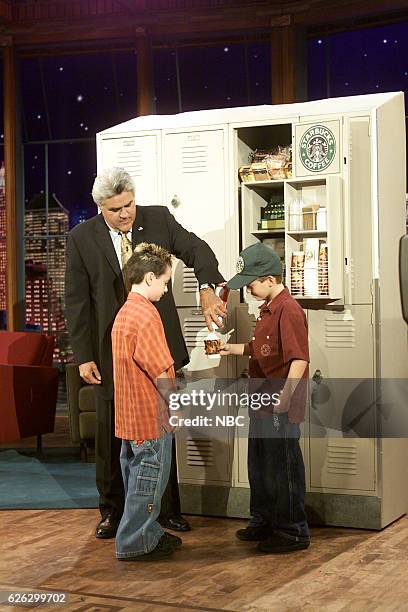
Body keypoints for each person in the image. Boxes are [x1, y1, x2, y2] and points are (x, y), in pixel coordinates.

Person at [65, 166, 226, 539]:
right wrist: (84, 355)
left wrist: (206, 286)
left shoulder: (157, 218)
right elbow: (76, 302)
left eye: (129, 204)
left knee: (161, 427)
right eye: (115, 209)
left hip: (156, 345)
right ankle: (112, 511)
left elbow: (197, 249)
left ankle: (167, 510)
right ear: (100, 208)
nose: (125, 214)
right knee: (111, 433)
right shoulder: (81, 238)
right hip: (111, 352)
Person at [220, 242, 310, 554]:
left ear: (270, 279)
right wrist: (233, 349)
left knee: (282, 467)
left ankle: (291, 531)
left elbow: (298, 359)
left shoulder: (289, 310)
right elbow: (265, 349)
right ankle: (264, 519)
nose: (248, 290)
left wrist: (285, 398)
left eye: (252, 284)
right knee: (259, 464)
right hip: (260, 400)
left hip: (278, 403)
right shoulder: (267, 310)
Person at [112, 242, 181, 561]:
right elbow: (159, 369)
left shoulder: (124, 312)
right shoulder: (146, 315)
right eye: (166, 282)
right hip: (149, 418)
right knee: (148, 484)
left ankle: (149, 534)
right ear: (151, 277)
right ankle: (134, 542)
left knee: (136, 481)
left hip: (129, 418)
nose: (166, 290)